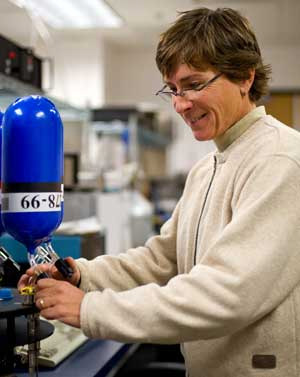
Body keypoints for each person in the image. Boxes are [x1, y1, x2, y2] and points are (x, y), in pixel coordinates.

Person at [18, 7, 300, 377]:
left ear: (245, 77)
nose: (181, 104)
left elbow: (228, 293)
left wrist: (88, 309)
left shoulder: (280, 159)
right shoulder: (208, 168)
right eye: (173, 89)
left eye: (194, 84)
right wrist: (78, 275)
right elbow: (159, 262)